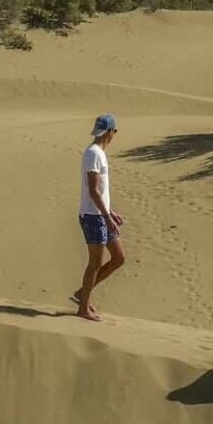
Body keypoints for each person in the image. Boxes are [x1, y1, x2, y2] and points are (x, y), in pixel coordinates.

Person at [73, 113, 126, 321]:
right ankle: (83, 308)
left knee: (119, 257)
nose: (114, 135)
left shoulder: (99, 153)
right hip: (93, 216)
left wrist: (110, 212)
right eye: (114, 132)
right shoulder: (93, 154)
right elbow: (93, 190)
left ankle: (82, 293)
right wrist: (106, 216)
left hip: (101, 214)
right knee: (95, 263)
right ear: (110, 132)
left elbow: (99, 191)